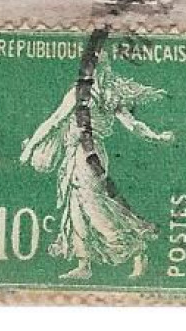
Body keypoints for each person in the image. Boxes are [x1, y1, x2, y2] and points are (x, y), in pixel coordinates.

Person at [19, 60, 174, 280]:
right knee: (75, 206)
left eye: (101, 68)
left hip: (91, 154)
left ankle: (136, 249)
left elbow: (132, 123)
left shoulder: (110, 95)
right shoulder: (77, 93)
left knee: (94, 205)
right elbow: (54, 121)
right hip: (73, 154)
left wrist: (155, 136)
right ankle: (84, 264)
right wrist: (31, 148)